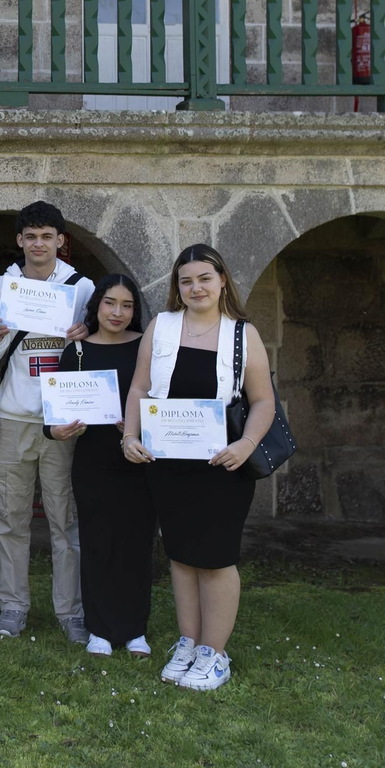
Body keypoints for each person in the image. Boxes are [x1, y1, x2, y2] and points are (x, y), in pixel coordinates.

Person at [121, 244, 274, 692]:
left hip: (222, 463)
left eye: (204, 278)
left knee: (217, 557)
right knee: (182, 556)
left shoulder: (243, 334)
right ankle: (189, 642)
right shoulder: (162, 326)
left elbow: (263, 400)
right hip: (168, 462)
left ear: (222, 280)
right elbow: (139, 388)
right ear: (177, 287)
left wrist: (246, 444)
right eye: (186, 281)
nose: (195, 287)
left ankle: (214, 653)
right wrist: (130, 436)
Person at [0, 201, 96, 642]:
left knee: (64, 519)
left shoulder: (81, 288)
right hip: (14, 413)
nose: (38, 244)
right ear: (19, 241)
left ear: (60, 241)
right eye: (30, 236)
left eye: (46, 236)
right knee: (10, 516)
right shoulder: (2, 286)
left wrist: (88, 333)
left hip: (62, 417)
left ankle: (71, 612)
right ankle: (12, 606)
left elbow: (103, 342)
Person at [47, 274, 154, 659]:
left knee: (137, 544)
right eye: (110, 303)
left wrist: (143, 425)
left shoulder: (148, 347)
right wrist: (56, 431)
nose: (117, 312)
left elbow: (160, 401)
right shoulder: (77, 349)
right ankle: (100, 630)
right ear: (97, 306)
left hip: (140, 461)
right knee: (97, 543)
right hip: (93, 462)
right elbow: (54, 413)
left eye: (127, 306)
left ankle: (134, 629)